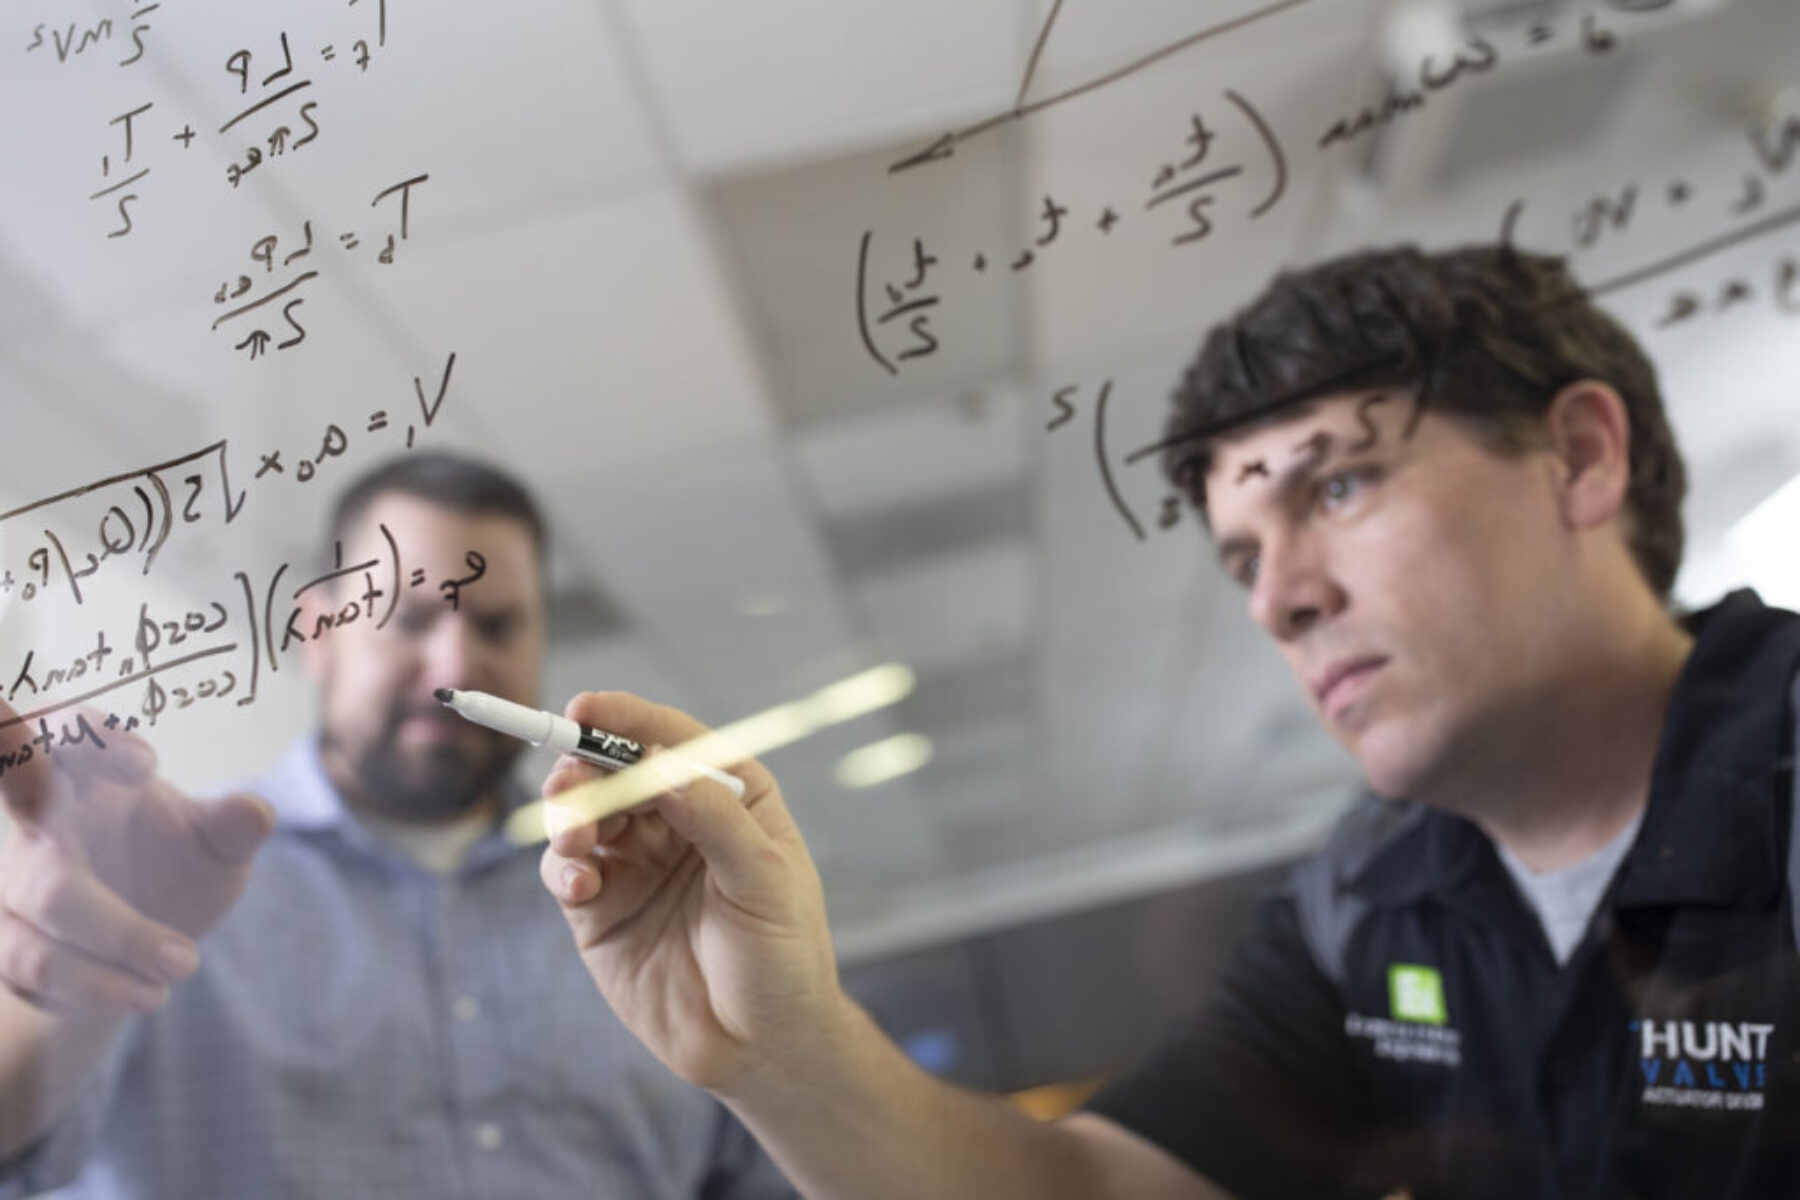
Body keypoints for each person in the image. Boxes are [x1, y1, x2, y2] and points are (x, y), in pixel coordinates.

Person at [529, 245, 1800, 1199]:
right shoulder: (1369, 901)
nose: (1281, 600)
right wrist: (783, 1050)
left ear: (1579, 457)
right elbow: (1085, 1191)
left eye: (1340, 485)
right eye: (1243, 560)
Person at [0, 453, 797, 1199]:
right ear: (317, 632)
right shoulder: (172, 883)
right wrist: (69, 979)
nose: (454, 666)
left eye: (496, 627)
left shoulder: (643, 892)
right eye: (409, 617)